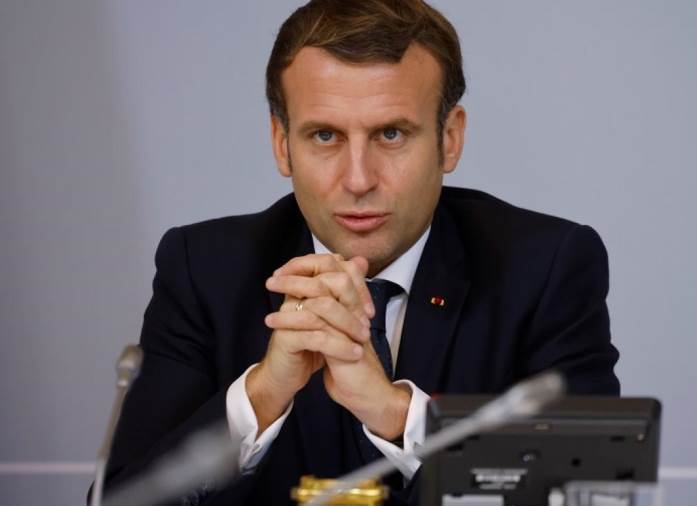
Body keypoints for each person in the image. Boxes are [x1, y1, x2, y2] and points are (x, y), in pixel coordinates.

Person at [100, 1, 620, 504]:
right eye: (325, 135)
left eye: (391, 134)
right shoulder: (204, 270)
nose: (358, 180)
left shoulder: (544, 267)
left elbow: (589, 488)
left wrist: (396, 415)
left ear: (449, 139)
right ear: (282, 143)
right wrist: (261, 396)